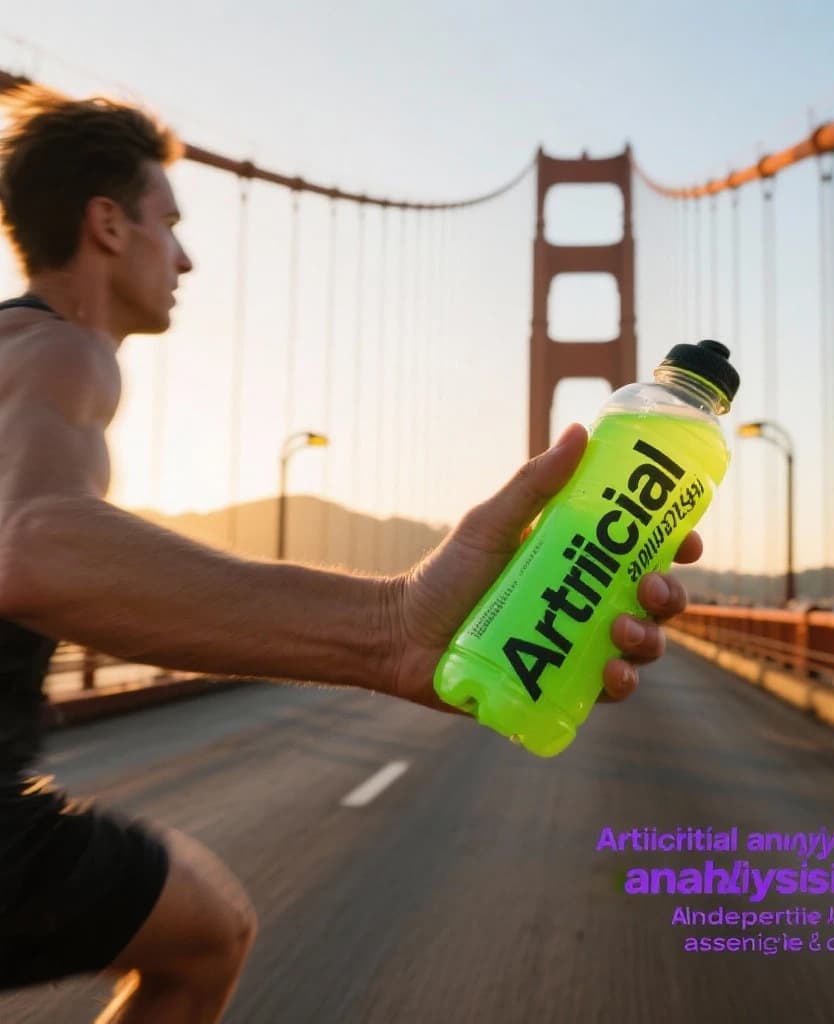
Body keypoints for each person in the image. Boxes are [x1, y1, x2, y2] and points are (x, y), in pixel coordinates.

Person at [0, 85, 703, 1024]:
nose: (188, 255)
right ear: (107, 225)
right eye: (170, 221)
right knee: (209, 936)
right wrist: (389, 628)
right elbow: (34, 550)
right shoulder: (71, 357)